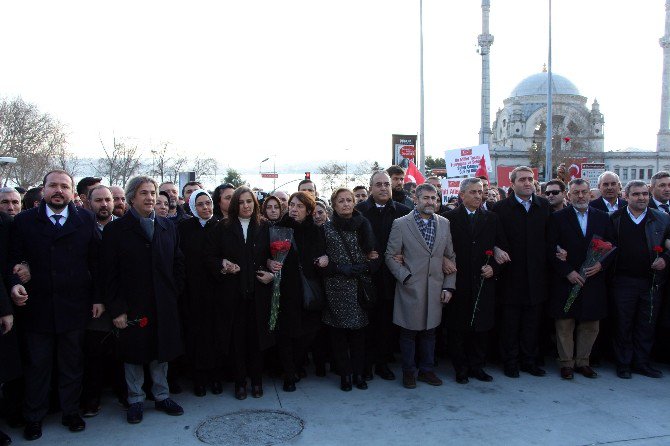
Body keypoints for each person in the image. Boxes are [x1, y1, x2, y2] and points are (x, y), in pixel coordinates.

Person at [9, 170, 100, 440]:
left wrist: (98, 298)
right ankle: (34, 417)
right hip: (37, 308)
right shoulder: (25, 221)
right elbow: (13, 258)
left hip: (74, 306)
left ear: (73, 192)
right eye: (53, 186)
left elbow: (96, 262)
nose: (58, 191)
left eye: (64, 186)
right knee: (38, 366)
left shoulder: (86, 219)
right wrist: (17, 278)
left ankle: (70, 412)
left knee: (72, 364)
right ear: (44, 190)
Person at [102, 176, 185, 424]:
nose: (150, 197)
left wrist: (173, 292)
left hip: (163, 303)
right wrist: (117, 310)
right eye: (143, 193)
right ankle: (135, 399)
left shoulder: (168, 226)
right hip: (132, 306)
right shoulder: (116, 230)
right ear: (131, 198)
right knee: (134, 355)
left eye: (153, 192)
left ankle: (161, 396)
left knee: (161, 354)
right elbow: (109, 274)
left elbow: (178, 262)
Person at [205, 187, 275, 399]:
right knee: (237, 341)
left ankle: (257, 381)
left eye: (249, 201)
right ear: (235, 205)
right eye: (242, 202)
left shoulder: (265, 227)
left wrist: (272, 270)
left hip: (258, 292)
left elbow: (274, 257)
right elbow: (209, 257)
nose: (246, 205)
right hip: (232, 294)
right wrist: (222, 263)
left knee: (256, 340)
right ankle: (240, 383)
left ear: (255, 204)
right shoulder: (222, 227)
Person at [385, 183, 456, 389]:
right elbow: (390, 255)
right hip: (410, 288)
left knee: (430, 333)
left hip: (435, 288)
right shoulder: (401, 223)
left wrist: (448, 286)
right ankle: (409, 372)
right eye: (426, 198)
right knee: (408, 333)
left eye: (434, 198)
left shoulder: (444, 223)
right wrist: (405, 277)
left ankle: (427, 370)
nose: (430, 202)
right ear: (415, 199)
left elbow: (450, 257)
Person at [547, 178, 615, 380]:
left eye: (584, 192)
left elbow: (612, 245)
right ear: (569, 195)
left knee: (590, 324)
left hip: (593, 279)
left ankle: (583, 362)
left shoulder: (603, 217)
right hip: (566, 279)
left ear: (590, 194)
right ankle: (566, 363)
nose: (581, 196)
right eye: (576, 192)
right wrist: (567, 271)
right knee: (565, 323)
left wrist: (601, 264)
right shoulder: (558, 218)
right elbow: (550, 248)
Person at [489, 166, 551, 378]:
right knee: (510, 324)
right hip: (510, 276)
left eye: (530, 179)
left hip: (536, 276)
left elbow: (550, 238)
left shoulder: (544, 206)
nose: (527, 183)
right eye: (522, 179)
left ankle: (529, 361)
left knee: (532, 324)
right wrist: (496, 249)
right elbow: (493, 238)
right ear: (512, 183)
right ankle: (510, 362)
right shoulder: (500, 208)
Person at [444, 178, 506, 384]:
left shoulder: (492, 218)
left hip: (483, 281)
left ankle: (477, 366)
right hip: (458, 281)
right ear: (462, 195)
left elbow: (501, 248)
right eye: (473, 192)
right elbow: (440, 249)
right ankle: (461, 368)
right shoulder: (448, 219)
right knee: (458, 328)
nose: (479, 196)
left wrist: (494, 267)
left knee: (481, 328)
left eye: (480, 192)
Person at [268, 192, 328, 392]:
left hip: (309, 289)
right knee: (286, 333)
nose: (294, 209)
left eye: (300, 206)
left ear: (309, 211)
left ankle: (297, 363)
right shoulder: (280, 228)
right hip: (286, 289)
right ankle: (289, 373)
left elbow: (322, 255)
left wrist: (324, 259)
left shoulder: (316, 231)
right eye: (292, 205)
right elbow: (268, 255)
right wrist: (269, 262)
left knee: (308, 332)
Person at [609, 180, 670, 379]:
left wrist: (665, 259)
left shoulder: (662, 219)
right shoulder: (614, 218)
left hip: (651, 282)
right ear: (626, 196)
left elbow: (668, 246)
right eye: (636, 194)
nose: (641, 198)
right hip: (623, 281)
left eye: (644, 194)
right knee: (623, 323)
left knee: (647, 324)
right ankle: (623, 363)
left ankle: (641, 362)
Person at [355, 171, 411, 380]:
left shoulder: (404, 212)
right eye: (378, 184)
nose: (383, 188)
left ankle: (382, 364)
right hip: (365, 276)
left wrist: (405, 256)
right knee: (365, 323)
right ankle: (365, 365)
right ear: (370, 188)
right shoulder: (358, 211)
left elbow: (412, 241)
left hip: (391, 277)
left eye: (386, 184)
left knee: (386, 324)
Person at [323, 188, 377, 391]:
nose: (345, 204)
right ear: (334, 205)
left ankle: (359, 374)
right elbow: (322, 261)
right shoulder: (326, 228)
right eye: (341, 201)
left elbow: (374, 255)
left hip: (358, 288)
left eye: (349, 200)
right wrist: (338, 268)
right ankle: (345, 375)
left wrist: (364, 267)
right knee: (338, 337)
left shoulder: (364, 224)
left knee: (358, 337)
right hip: (335, 288)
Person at [80, 185, 126, 416]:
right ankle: (91, 398)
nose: (105, 204)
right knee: (94, 353)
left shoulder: (123, 227)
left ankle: (124, 394)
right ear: (88, 203)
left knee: (121, 352)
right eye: (99, 200)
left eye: (108, 199)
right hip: (94, 302)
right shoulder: (82, 227)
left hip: (120, 298)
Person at [178, 189, 228, 396]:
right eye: (200, 204)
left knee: (216, 334)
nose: (206, 208)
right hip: (193, 290)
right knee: (196, 335)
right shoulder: (184, 228)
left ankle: (216, 377)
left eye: (208, 203)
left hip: (217, 289)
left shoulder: (221, 226)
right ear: (192, 207)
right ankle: (199, 379)